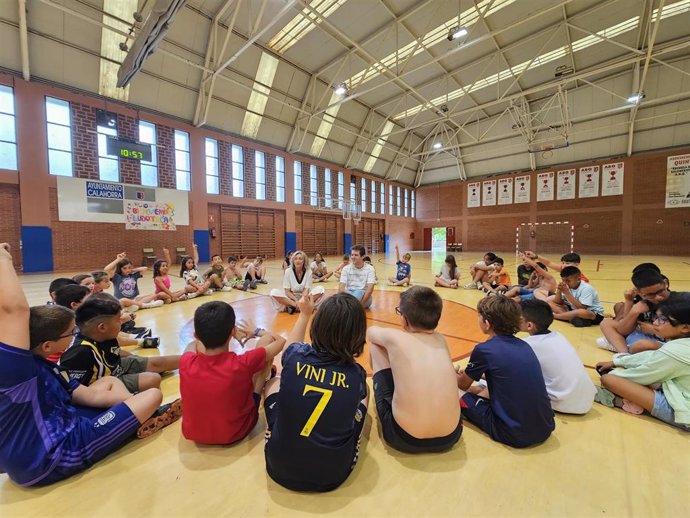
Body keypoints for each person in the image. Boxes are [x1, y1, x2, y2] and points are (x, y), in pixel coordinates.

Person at [0, 243, 181, 487]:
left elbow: (83, 393)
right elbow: (15, 310)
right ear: (47, 346)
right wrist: (3, 258)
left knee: (111, 382)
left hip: (54, 428)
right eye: (68, 333)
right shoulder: (19, 372)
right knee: (152, 395)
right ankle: (136, 421)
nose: (73, 334)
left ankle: (130, 416)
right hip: (55, 455)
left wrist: (125, 406)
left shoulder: (43, 366)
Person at [263, 292, 369, 492]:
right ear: (358, 335)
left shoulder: (295, 357)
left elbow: (290, 346)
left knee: (272, 384)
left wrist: (304, 314)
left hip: (279, 466)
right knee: (365, 395)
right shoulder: (356, 375)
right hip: (333, 474)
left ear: (317, 326)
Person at [367, 287, 462, 453]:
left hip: (405, 438)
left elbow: (370, 332)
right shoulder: (441, 339)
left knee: (376, 347)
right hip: (451, 436)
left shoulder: (394, 337)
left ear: (404, 320)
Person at [180, 301, 286, 444]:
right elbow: (280, 340)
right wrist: (257, 331)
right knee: (265, 343)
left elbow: (192, 345)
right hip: (237, 432)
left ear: (196, 335)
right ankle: (264, 378)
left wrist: (227, 333)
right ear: (233, 331)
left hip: (193, 434)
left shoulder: (186, 361)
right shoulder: (242, 362)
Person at [457, 296, 555, 448]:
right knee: (486, 388)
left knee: (456, 393)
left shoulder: (484, 350)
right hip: (545, 427)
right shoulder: (525, 345)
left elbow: (461, 385)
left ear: (487, 323)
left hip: (512, 434)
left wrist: (451, 374)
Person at [595, 294, 690, 431]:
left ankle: (623, 401)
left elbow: (639, 376)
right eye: (656, 317)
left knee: (609, 380)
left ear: (685, 328)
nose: (655, 323)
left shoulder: (674, 351)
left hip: (684, 414)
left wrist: (615, 371)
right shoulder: (679, 344)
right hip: (680, 389)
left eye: (663, 320)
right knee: (656, 379)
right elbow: (653, 357)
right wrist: (618, 361)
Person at [59, 294, 180, 392]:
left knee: (157, 363)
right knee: (152, 379)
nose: (122, 322)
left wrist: (137, 360)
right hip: (105, 383)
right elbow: (74, 390)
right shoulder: (79, 352)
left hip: (116, 367)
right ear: (102, 327)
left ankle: (193, 359)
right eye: (118, 320)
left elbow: (116, 352)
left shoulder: (105, 335)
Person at [520, 299, 596, 414]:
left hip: (563, 404)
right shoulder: (558, 335)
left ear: (529, 325)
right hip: (586, 400)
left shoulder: (529, 344)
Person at [597, 267, 678, 353]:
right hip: (643, 335)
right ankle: (624, 354)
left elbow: (682, 332)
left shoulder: (678, 302)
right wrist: (631, 305)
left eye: (660, 291)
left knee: (640, 346)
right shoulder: (642, 301)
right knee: (606, 323)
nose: (657, 297)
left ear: (665, 283)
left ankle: (622, 346)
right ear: (639, 291)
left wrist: (654, 330)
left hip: (667, 342)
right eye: (650, 294)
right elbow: (624, 330)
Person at [524, 251, 590, 283]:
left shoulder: (582, 280)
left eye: (567, 263)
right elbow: (549, 263)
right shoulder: (564, 269)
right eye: (563, 263)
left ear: (577, 264)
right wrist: (536, 256)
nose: (564, 265)